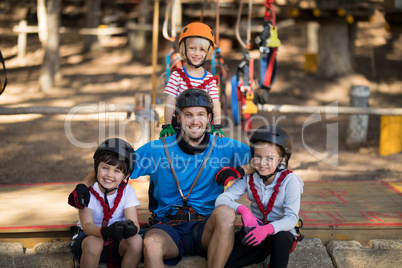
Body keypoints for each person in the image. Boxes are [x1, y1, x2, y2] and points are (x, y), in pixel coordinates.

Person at [68, 88, 252, 267]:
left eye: (201, 114)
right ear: (178, 118)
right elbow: (115, 166)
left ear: (210, 118)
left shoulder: (225, 146)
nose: (195, 120)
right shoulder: (157, 149)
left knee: (227, 213)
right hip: (167, 225)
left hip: (206, 225)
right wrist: (83, 186)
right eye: (188, 115)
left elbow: (267, 160)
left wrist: (242, 170)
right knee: (151, 244)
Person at [215, 125, 304, 268]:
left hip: (280, 234)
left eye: (270, 158)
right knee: (227, 261)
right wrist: (243, 210)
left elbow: (292, 218)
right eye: (258, 157)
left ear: (282, 159)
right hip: (255, 232)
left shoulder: (290, 181)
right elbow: (221, 200)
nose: (262, 163)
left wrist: (267, 229)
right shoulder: (250, 178)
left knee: (280, 238)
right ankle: (260, 255)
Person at [70, 138, 143, 268]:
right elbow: (87, 226)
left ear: (125, 176)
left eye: (117, 171)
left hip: (116, 243)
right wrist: (106, 231)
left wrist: (132, 228)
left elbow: (134, 222)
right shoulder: (87, 192)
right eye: (105, 168)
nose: (109, 175)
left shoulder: (128, 192)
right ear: (96, 167)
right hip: (89, 239)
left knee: (137, 241)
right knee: (95, 242)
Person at [161, 22, 224, 138]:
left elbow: (215, 103)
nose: (197, 53)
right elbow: (169, 102)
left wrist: (217, 126)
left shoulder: (210, 79)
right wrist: (167, 125)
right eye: (192, 48)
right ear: (184, 49)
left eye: (202, 50)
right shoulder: (177, 76)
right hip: (179, 126)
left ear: (207, 52)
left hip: (201, 126)